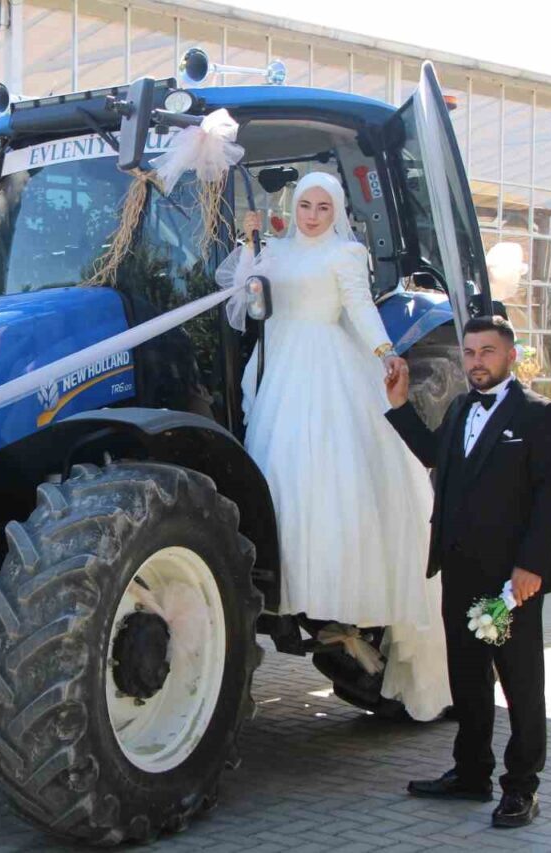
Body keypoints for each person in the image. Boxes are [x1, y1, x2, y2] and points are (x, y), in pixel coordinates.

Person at [220, 171, 450, 721]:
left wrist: (384, 351)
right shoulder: (275, 249)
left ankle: (336, 595)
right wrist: (244, 246)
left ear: (337, 210)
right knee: (282, 476)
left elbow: (360, 307)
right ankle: (283, 578)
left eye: (324, 206)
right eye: (307, 204)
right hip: (280, 368)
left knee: (327, 473)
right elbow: (240, 297)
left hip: (324, 365)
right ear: (293, 206)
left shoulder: (346, 254)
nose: (314, 214)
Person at [383, 315, 551, 829]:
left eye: (487, 352)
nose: (476, 362)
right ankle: (470, 774)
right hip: (459, 571)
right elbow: (432, 455)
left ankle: (522, 788)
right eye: (468, 352)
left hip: (509, 583)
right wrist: (400, 404)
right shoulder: (462, 407)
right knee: (467, 678)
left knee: (519, 682)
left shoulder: (540, 415)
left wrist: (530, 567)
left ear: (510, 356)